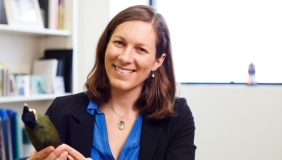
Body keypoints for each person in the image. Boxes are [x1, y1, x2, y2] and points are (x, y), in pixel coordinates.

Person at [27, 5, 196, 160]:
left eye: (140, 49)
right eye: (119, 43)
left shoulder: (178, 116)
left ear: (158, 61)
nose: (124, 57)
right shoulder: (61, 109)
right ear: (105, 46)